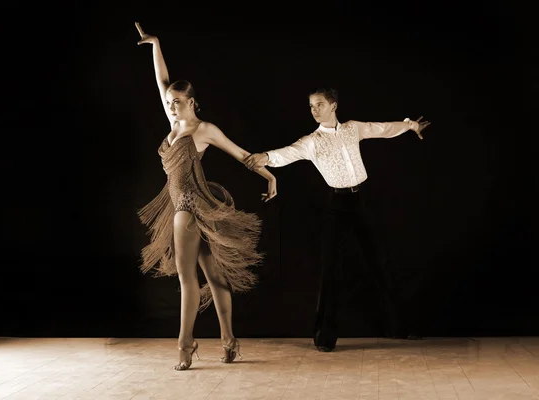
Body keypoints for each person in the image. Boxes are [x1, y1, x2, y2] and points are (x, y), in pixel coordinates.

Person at [134, 22, 277, 370]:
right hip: (184, 207)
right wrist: (155, 44)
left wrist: (269, 174)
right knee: (213, 279)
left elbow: (241, 154)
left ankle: (186, 346)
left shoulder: (203, 129)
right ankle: (229, 342)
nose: (171, 105)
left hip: (188, 207)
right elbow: (161, 80)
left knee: (189, 280)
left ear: (192, 101)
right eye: (169, 102)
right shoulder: (174, 125)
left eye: (178, 101)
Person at [244, 87, 430, 352]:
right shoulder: (311, 141)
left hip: (364, 201)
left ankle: (399, 327)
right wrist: (265, 157)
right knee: (330, 269)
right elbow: (288, 152)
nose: (314, 110)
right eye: (310, 106)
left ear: (333, 106)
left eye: (319, 104)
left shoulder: (353, 128)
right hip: (338, 205)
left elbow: (382, 128)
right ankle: (324, 337)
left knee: (381, 262)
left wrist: (410, 125)